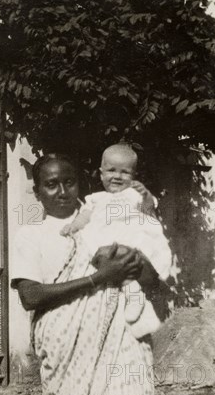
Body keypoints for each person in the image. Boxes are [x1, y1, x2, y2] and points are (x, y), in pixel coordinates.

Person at [11, 153, 171, 395]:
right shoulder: (30, 235)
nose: (63, 191)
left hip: (121, 343)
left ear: (80, 183)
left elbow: (150, 277)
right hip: (66, 353)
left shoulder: (105, 219)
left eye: (69, 182)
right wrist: (100, 277)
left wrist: (142, 231)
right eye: (51, 184)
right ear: (37, 192)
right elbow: (30, 295)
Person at [60, 144, 171, 338]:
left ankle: (133, 290)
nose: (117, 176)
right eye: (111, 170)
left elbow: (149, 212)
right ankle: (133, 308)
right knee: (98, 258)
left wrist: (145, 195)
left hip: (130, 240)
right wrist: (73, 226)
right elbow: (84, 217)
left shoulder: (135, 194)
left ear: (133, 175)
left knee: (121, 257)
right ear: (101, 174)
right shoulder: (95, 198)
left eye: (125, 172)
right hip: (103, 243)